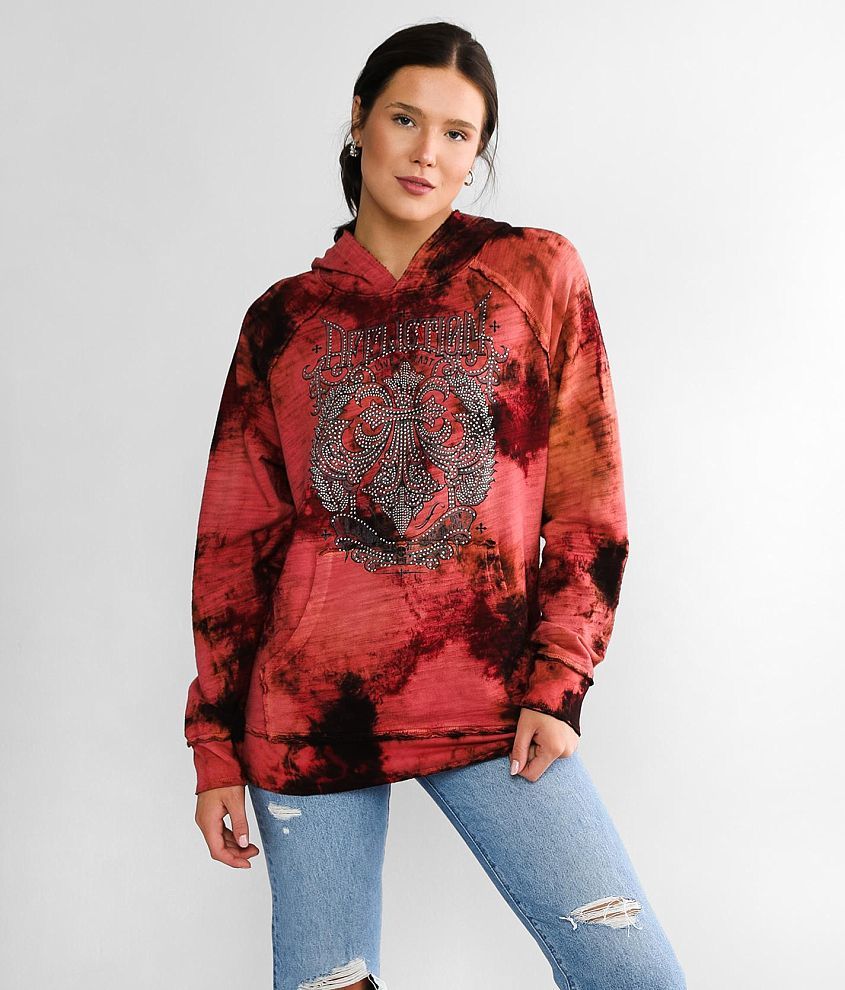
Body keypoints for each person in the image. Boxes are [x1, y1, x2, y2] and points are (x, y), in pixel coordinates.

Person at [184, 20, 687, 990]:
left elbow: (587, 504)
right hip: (307, 714)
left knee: (633, 973)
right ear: (358, 122)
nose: (427, 152)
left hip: (492, 698)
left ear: (477, 152)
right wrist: (213, 747)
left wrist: (559, 680)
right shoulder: (283, 319)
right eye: (405, 119)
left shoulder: (534, 274)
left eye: (458, 133)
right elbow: (233, 546)